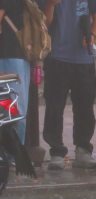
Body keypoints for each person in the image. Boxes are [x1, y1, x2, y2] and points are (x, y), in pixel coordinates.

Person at [39, 0, 96, 170]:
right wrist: (51, 5)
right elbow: (44, 23)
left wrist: (93, 35)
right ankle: (57, 152)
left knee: (85, 107)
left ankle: (83, 150)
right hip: (56, 57)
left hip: (84, 59)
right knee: (54, 106)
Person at [0, 0, 30, 144]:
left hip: (11, 53)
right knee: (13, 105)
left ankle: (13, 154)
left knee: (12, 107)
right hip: (15, 54)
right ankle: (14, 154)